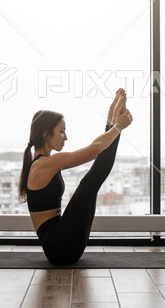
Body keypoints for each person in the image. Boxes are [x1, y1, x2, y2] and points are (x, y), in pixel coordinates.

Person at [18, 88, 133, 264]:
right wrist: (118, 127)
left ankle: (114, 116)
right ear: (46, 134)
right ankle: (115, 121)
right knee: (89, 183)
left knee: (92, 182)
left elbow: (98, 150)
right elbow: (95, 150)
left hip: (62, 245)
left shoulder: (44, 163)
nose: (66, 137)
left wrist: (113, 113)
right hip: (59, 247)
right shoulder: (43, 165)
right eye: (62, 131)